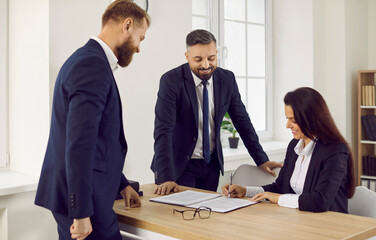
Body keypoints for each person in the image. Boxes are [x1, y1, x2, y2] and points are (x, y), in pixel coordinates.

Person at [34, 1, 150, 239]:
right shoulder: (92, 64)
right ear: (127, 25)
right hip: (87, 203)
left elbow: (98, 140)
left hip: (84, 195)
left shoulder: (85, 59)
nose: (139, 47)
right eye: (141, 37)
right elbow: (79, 144)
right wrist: (81, 213)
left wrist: (122, 184)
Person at [151, 29, 282, 195]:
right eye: (198, 59)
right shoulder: (171, 81)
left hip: (211, 165)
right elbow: (164, 131)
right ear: (187, 56)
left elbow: (242, 121)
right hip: (179, 167)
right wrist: (166, 177)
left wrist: (261, 159)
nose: (206, 65)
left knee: (208, 216)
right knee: (180, 217)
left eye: (211, 58)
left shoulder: (227, 79)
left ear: (217, 54)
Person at [222, 87, 356, 213]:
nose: (287, 125)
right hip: (298, 220)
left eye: (293, 120)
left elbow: (320, 201)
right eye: (287, 118)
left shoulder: (336, 151)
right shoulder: (294, 145)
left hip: (328, 227)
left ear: (312, 118)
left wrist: (278, 198)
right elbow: (280, 187)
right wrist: (246, 191)